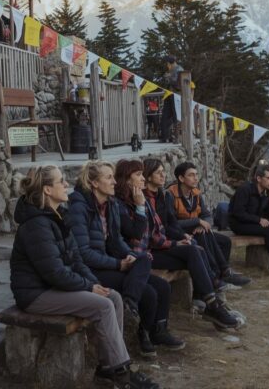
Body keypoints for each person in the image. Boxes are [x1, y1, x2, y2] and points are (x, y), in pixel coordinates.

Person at [10, 165, 160, 389]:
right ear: (48, 190)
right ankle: (122, 374)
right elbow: (54, 273)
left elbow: (77, 259)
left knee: (114, 297)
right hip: (36, 293)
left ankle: (108, 365)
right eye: (61, 181)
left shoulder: (58, 216)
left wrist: (94, 283)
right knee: (103, 306)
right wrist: (89, 288)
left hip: (53, 286)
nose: (66, 185)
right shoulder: (36, 225)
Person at [67, 160, 185, 356]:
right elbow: (83, 253)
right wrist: (118, 263)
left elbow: (117, 240)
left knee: (155, 275)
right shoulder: (79, 207)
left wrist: (130, 255)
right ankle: (141, 330)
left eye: (113, 177)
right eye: (108, 177)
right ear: (94, 183)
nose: (114, 182)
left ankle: (152, 327)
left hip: (110, 262)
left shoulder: (110, 204)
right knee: (149, 292)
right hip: (91, 270)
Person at [114, 159, 240, 330]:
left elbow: (163, 228)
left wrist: (179, 240)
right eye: (139, 175)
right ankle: (212, 300)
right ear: (126, 179)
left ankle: (210, 300)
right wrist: (141, 208)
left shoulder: (158, 196)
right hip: (142, 255)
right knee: (194, 250)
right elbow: (140, 234)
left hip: (154, 248)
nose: (143, 178)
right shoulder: (128, 203)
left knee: (195, 249)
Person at [164, 161, 251, 287]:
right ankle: (216, 275)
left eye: (196, 174)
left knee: (224, 241)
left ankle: (223, 273)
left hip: (196, 231)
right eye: (191, 175)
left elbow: (207, 215)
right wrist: (198, 221)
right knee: (203, 236)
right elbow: (172, 223)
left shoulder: (196, 193)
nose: (196, 178)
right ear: (181, 178)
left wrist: (202, 224)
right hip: (179, 234)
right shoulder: (170, 195)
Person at [157, 55, 182, 142]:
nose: (166, 65)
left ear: (169, 63)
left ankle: (176, 137)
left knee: (175, 116)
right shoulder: (171, 70)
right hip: (169, 94)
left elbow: (177, 84)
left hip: (175, 95)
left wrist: (168, 77)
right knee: (166, 115)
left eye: (166, 63)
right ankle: (165, 136)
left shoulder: (178, 69)